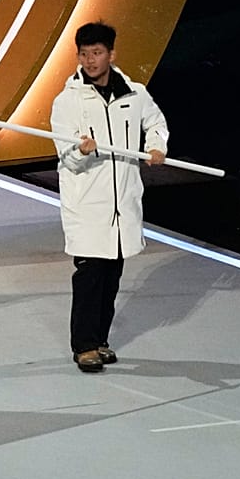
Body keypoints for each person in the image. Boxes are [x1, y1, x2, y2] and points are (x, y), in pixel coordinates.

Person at [49, 20, 170, 373]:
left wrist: (156, 146)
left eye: (97, 53)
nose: (90, 60)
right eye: (84, 54)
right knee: (90, 275)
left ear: (111, 54)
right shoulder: (67, 100)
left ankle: (100, 339)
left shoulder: (135, 94)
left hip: (124, 202)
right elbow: (66, 157)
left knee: (112, 275)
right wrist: (82, 150)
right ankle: (84, 346)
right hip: (88, 203)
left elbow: (157, 123)